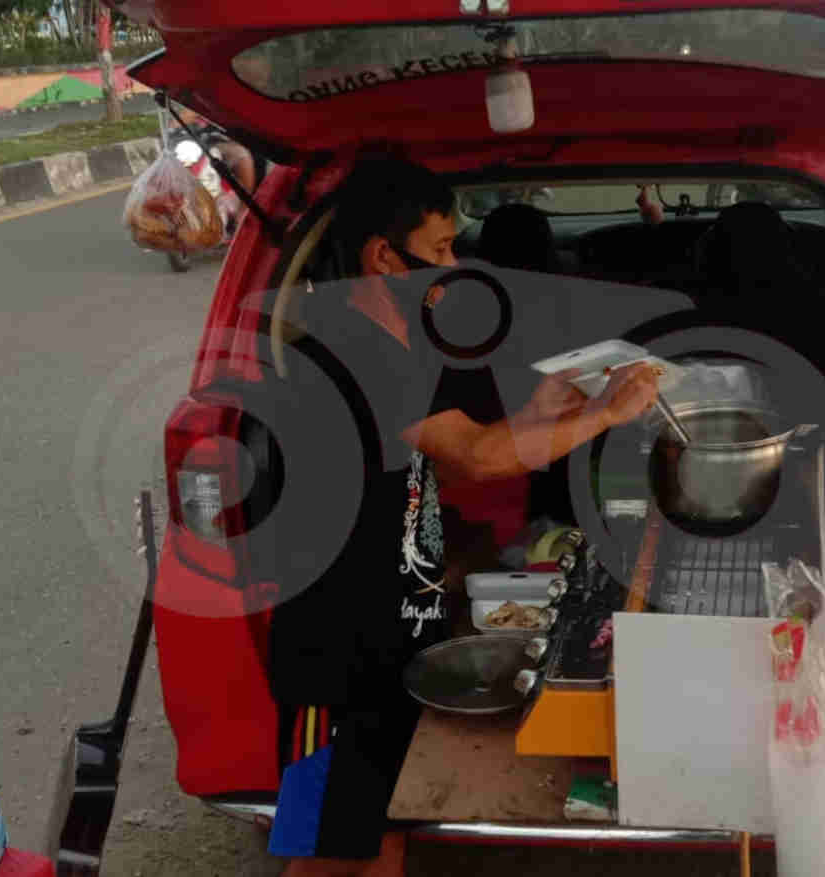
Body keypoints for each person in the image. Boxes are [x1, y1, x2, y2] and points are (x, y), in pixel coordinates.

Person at [266, 157, 660, 877]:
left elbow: (445, 458)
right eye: (441, 248)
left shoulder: (397, 344)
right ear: (384, 256)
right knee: (323, 850)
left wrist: (540, 413)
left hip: (390, 628)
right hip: (333, 650)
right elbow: (477, 458)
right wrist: (608, 413)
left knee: (384, 829)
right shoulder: (355, 347)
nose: (452, 268)